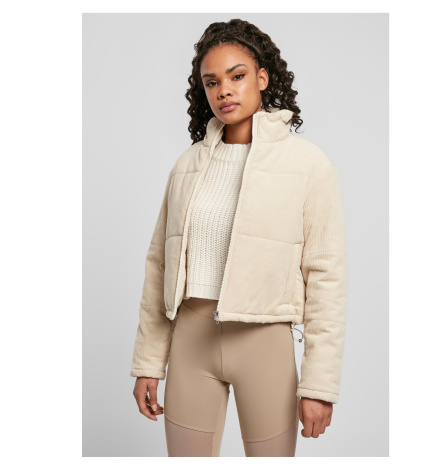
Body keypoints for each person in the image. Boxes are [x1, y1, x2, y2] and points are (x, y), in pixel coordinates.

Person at [130, 19, 348, 457]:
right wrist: (148, 362)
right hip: (191, 341)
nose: (224, 90)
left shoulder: (309, 165)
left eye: (237, 76)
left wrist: (319, 384)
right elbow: (159, 266)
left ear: (262, 78)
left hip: (264, 343)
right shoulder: (188, 166)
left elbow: (327, 277)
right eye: (212, 82)